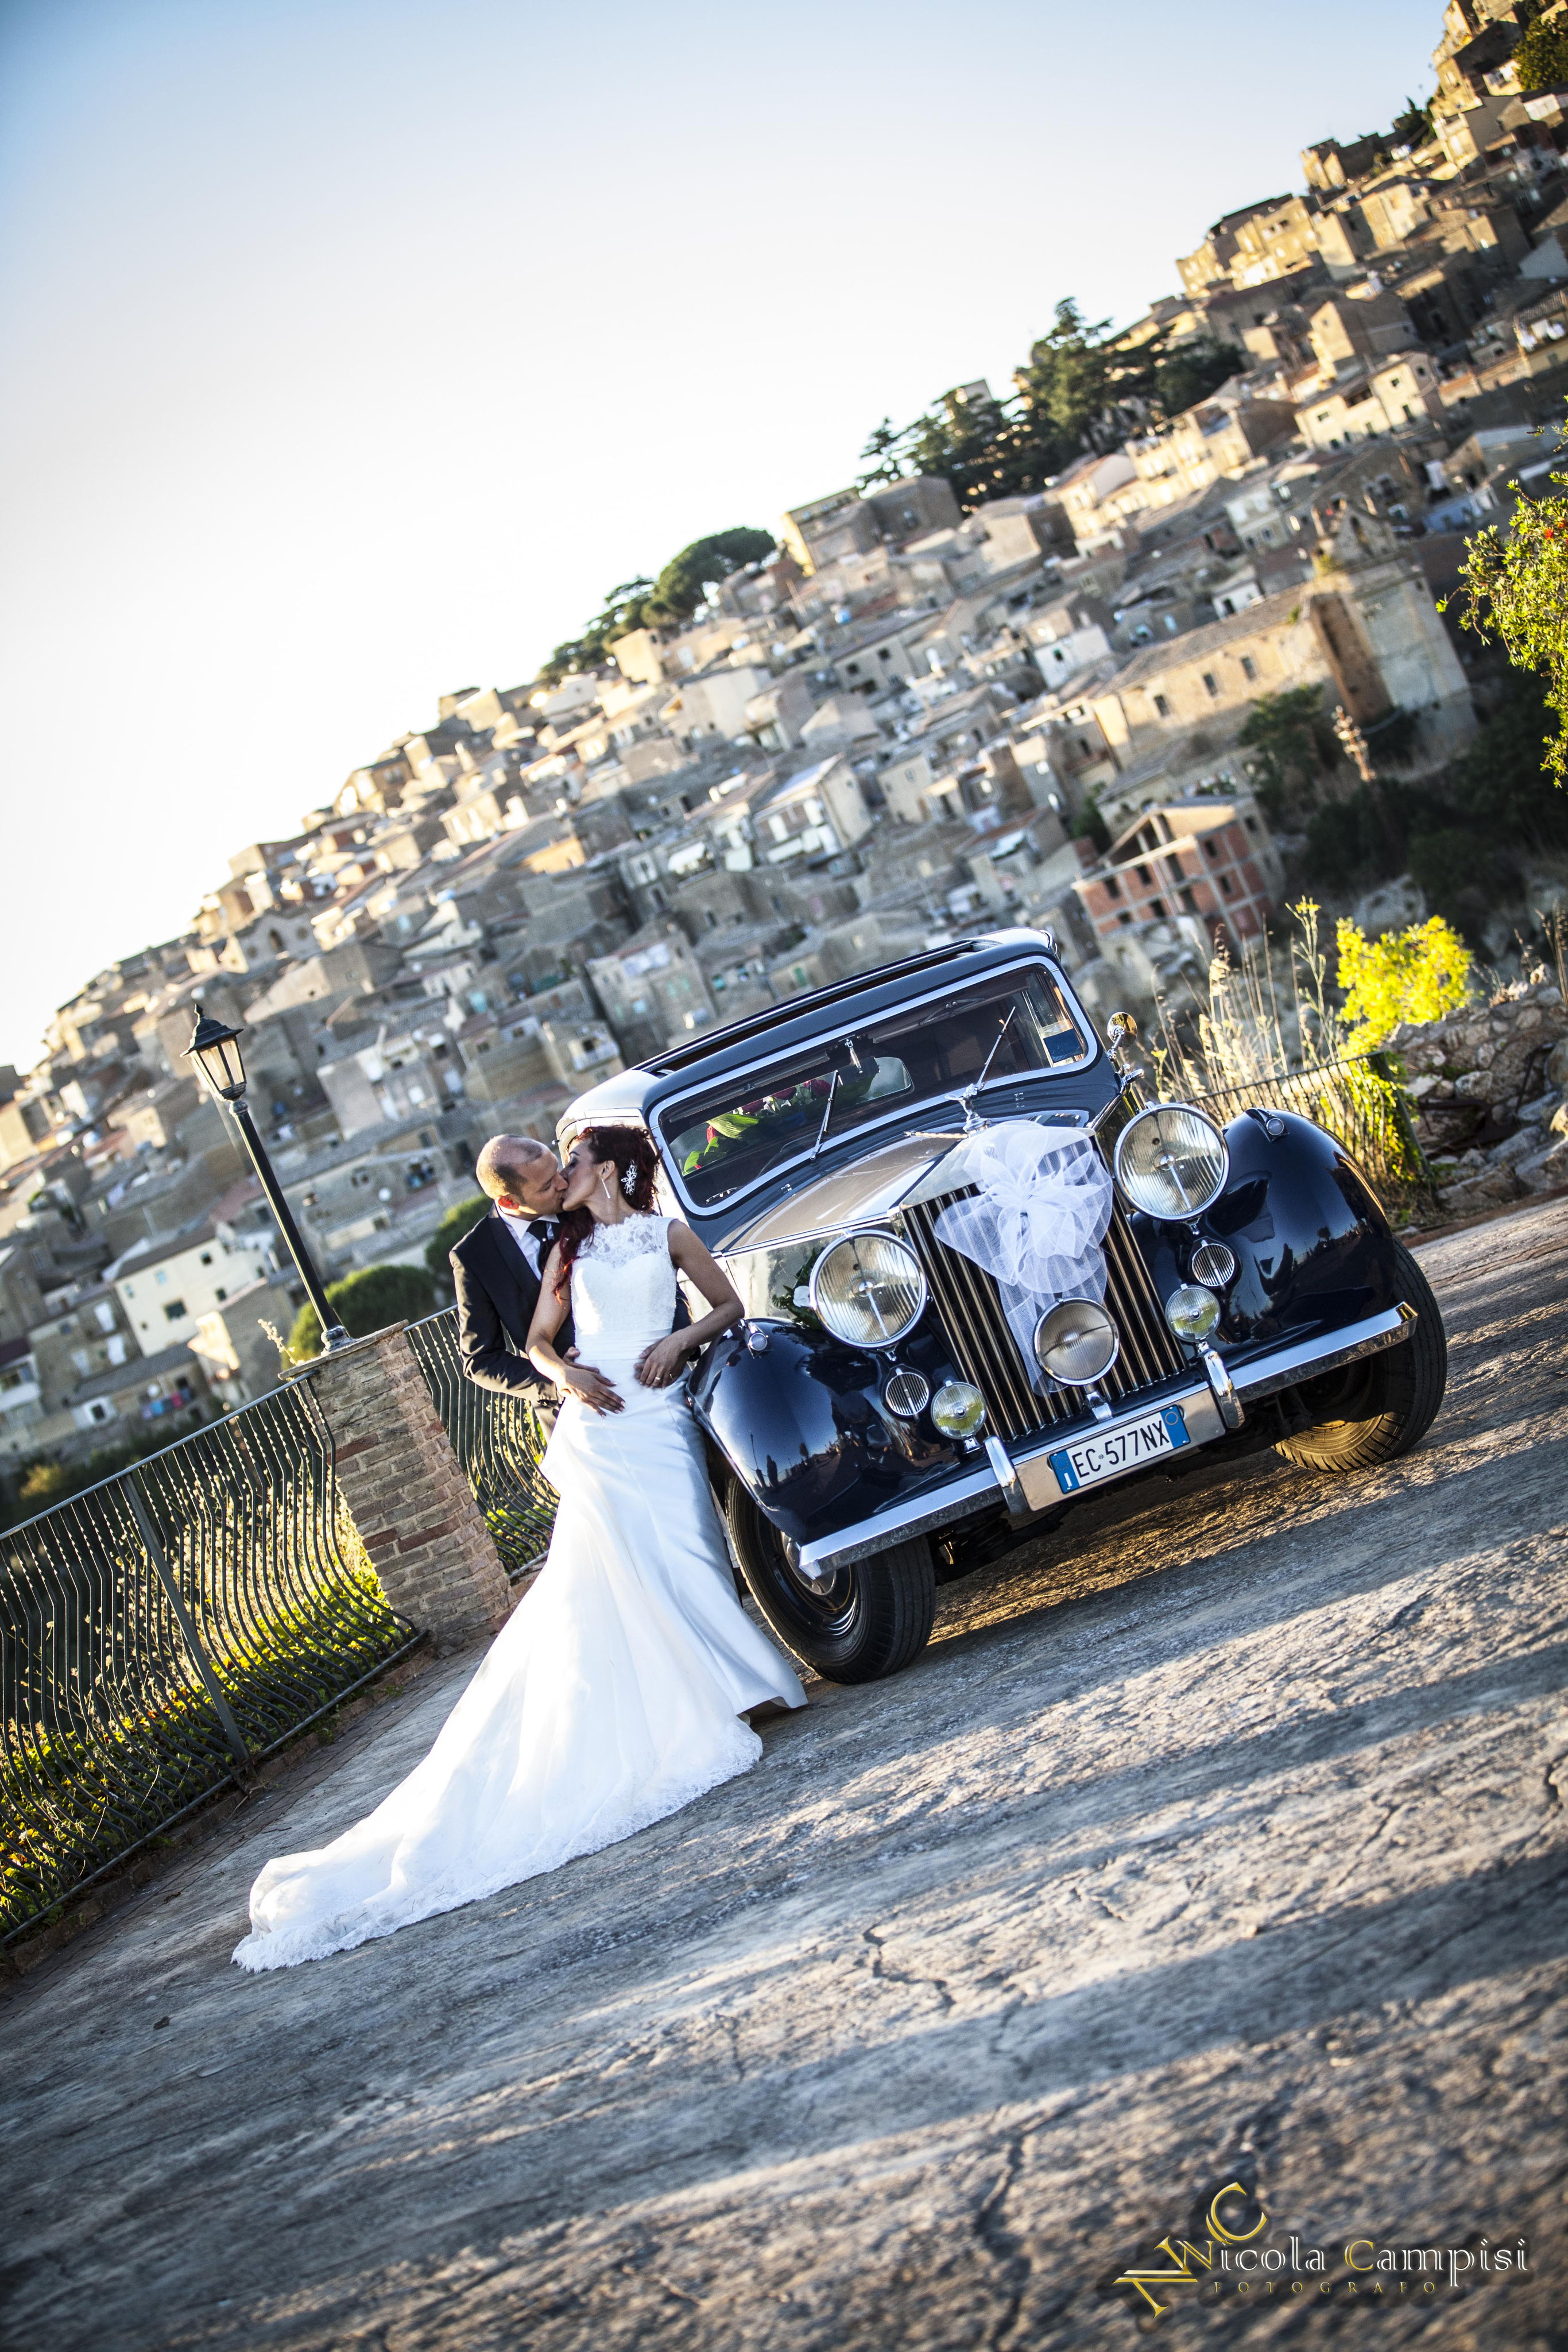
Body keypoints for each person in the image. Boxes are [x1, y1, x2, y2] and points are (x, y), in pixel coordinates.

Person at [232, 1124, 806, 1972]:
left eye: (568, 1164)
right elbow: (523, 1345)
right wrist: (565, 1375)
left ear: (604, 1170)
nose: (560, 1178)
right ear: (515, 1195)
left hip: (661, 1407)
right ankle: (706, 1703)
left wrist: (682, 1345)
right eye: (546, 1173)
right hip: (597, 1423)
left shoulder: (662, 1231)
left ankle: (727, 1683)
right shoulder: (555, 1253)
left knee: (688, 1551)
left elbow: (721, 1305)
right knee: (621, 1573)